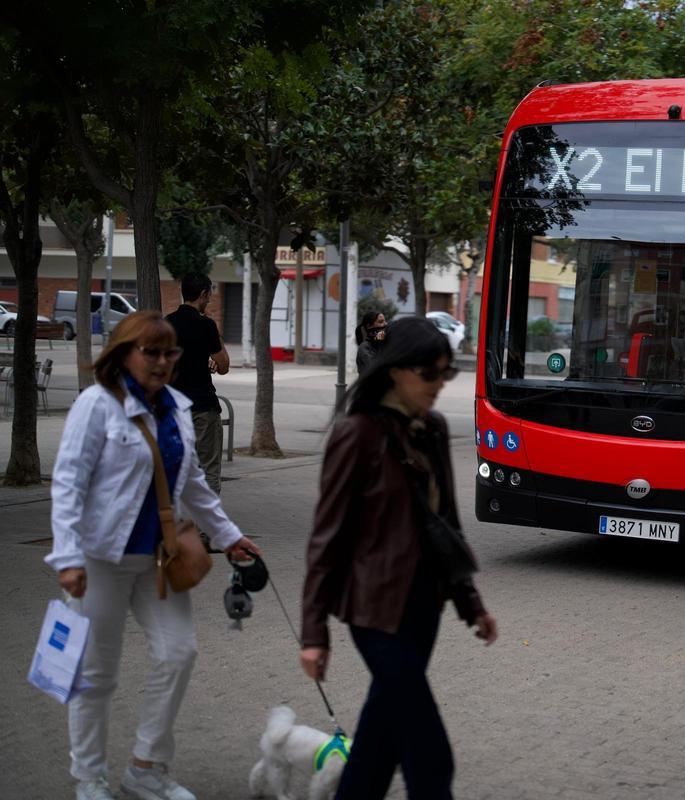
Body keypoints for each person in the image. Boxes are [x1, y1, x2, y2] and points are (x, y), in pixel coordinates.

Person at [49, 311, 260, 800]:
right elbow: (67, 485)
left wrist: (230, 536)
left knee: (178, 651)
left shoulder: (178, 408)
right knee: (96, 674)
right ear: (124, 352)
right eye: (152, 351)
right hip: (100, 558)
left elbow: (193, 485)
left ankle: (145, 767)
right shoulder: (97, 406)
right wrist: (67, 558)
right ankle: (90, 777)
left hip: (159, 557)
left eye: (170, 353)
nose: (163, 361)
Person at [300, 316, 498, 800]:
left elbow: (445, 524)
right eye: (428, 374)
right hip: (375, 611)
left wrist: (470, 603)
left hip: (423, 607)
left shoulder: (431, 429)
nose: (438, 385)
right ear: (395, 371)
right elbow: (327, 537)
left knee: (378, 743)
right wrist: (313, 633)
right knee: (430, 756)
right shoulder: (357, 435)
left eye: (445, 374)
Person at [165, 274, 229, 496]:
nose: (209, 300)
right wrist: (214, 335)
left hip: (173, 408)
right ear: (203, 294)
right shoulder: (206, 325)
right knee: (208, 468)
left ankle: (176, 525)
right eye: (209, 296)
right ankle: (205, 528)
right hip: (202, 406)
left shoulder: (166, 323)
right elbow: (223, 366)